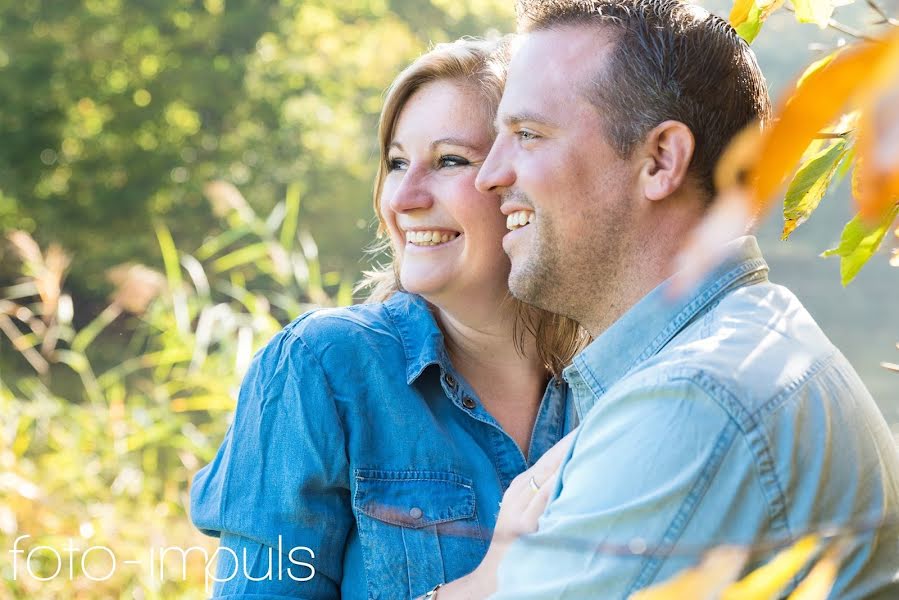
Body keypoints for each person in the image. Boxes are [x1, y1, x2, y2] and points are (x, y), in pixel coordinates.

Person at [472, 1, 899, 598]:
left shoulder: (693, 399)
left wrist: (487, 576)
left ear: (661, 160)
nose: (487, 176)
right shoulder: (742, 344)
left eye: (527, 135)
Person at [189, 37, 587, 599]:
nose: (403, 196)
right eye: (397, 163)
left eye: (449, 160)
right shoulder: (321, 368)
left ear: (526, 183)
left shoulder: (615, 387)